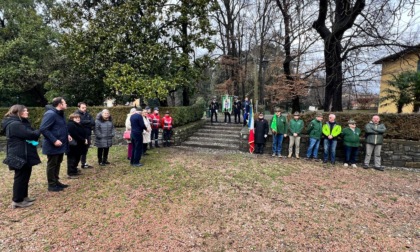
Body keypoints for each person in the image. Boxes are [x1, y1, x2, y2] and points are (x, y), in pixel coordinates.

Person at [2, 105, 41, 208]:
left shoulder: (19, 123)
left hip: (24, 153)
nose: (27, 112)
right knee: (20, 177)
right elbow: (31, 135)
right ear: (18, 112)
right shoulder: (15, 124)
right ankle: (17, 200)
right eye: (25, 110)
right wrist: (39, 130)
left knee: (25, 176)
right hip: (19, 154)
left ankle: (24, 196)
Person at [40, 97, 70, 192]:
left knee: (58, 163)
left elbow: (62, 127)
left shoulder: (60, 114)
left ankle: (56, 181)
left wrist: (67, 134)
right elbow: (43, 129)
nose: (66, 104)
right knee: (52, 164)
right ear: (60, 104)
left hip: (61, 144)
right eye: (65, 103)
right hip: (52, 145)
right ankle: (51, 185)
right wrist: (54, 140)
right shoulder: (50, 114)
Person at [66, 113, 87, 178]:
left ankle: (74, 170)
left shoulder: (78, 124)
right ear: (72, 118)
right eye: (76, 118)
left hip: (78, 145)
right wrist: (83, 140)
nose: (78, 119)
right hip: (73, 146)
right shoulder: (71, 125)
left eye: (78, 118)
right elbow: (75, 135)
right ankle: (71, 172)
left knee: (77, 158)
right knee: (72, 159)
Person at [75, 102, 95, 169]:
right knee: (79, 150)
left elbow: (93, 122)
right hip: (80, 135)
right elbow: (80, 122)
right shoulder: (76, 114)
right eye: (83, 108)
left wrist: (86, 122)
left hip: (87, 134)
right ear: (79, 107)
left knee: (85, 149)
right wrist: (88, 122)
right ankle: (75, 165)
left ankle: (84, 163)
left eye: (85, 107)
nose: (84, 109)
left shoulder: (87, 114)